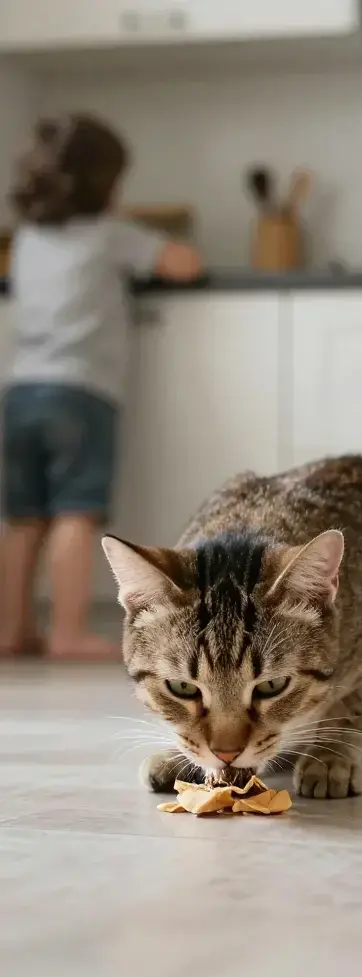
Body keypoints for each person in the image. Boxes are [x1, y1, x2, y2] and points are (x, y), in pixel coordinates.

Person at [0, 113, 202, 659]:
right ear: (106, 185)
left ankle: (11, 629)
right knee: (75, 513)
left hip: (19, 393)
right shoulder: (113, 234)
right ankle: (67, 631)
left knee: (24, 519)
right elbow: (183, 262)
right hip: (79, 395)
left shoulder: (27, 239)